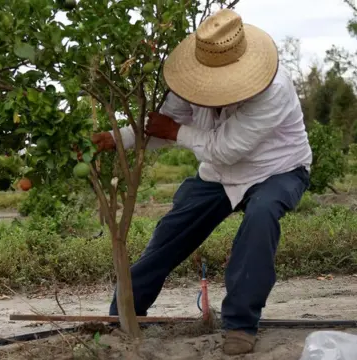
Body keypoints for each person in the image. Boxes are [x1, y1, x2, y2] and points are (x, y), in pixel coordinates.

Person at [91, 9, 312, 356]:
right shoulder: (189, 80)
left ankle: (241, 325)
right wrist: (117, 137)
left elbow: (223, 147)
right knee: (170, 233)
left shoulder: (273, 91)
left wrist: (176, 131)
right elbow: (164, 126)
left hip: (278, 169)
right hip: (220, 174)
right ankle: (125, 315)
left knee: (261, 217)